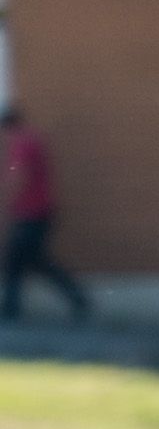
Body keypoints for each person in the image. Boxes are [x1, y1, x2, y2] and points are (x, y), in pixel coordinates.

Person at [1, 105, 90, 323]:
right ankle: (13, 307)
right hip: (38, 211)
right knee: (27, 260)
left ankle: (76, 298)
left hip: (32, 211)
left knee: (22, 259)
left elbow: (19, 177)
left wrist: (5, 205)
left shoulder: (22, 142)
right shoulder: (31, 139)